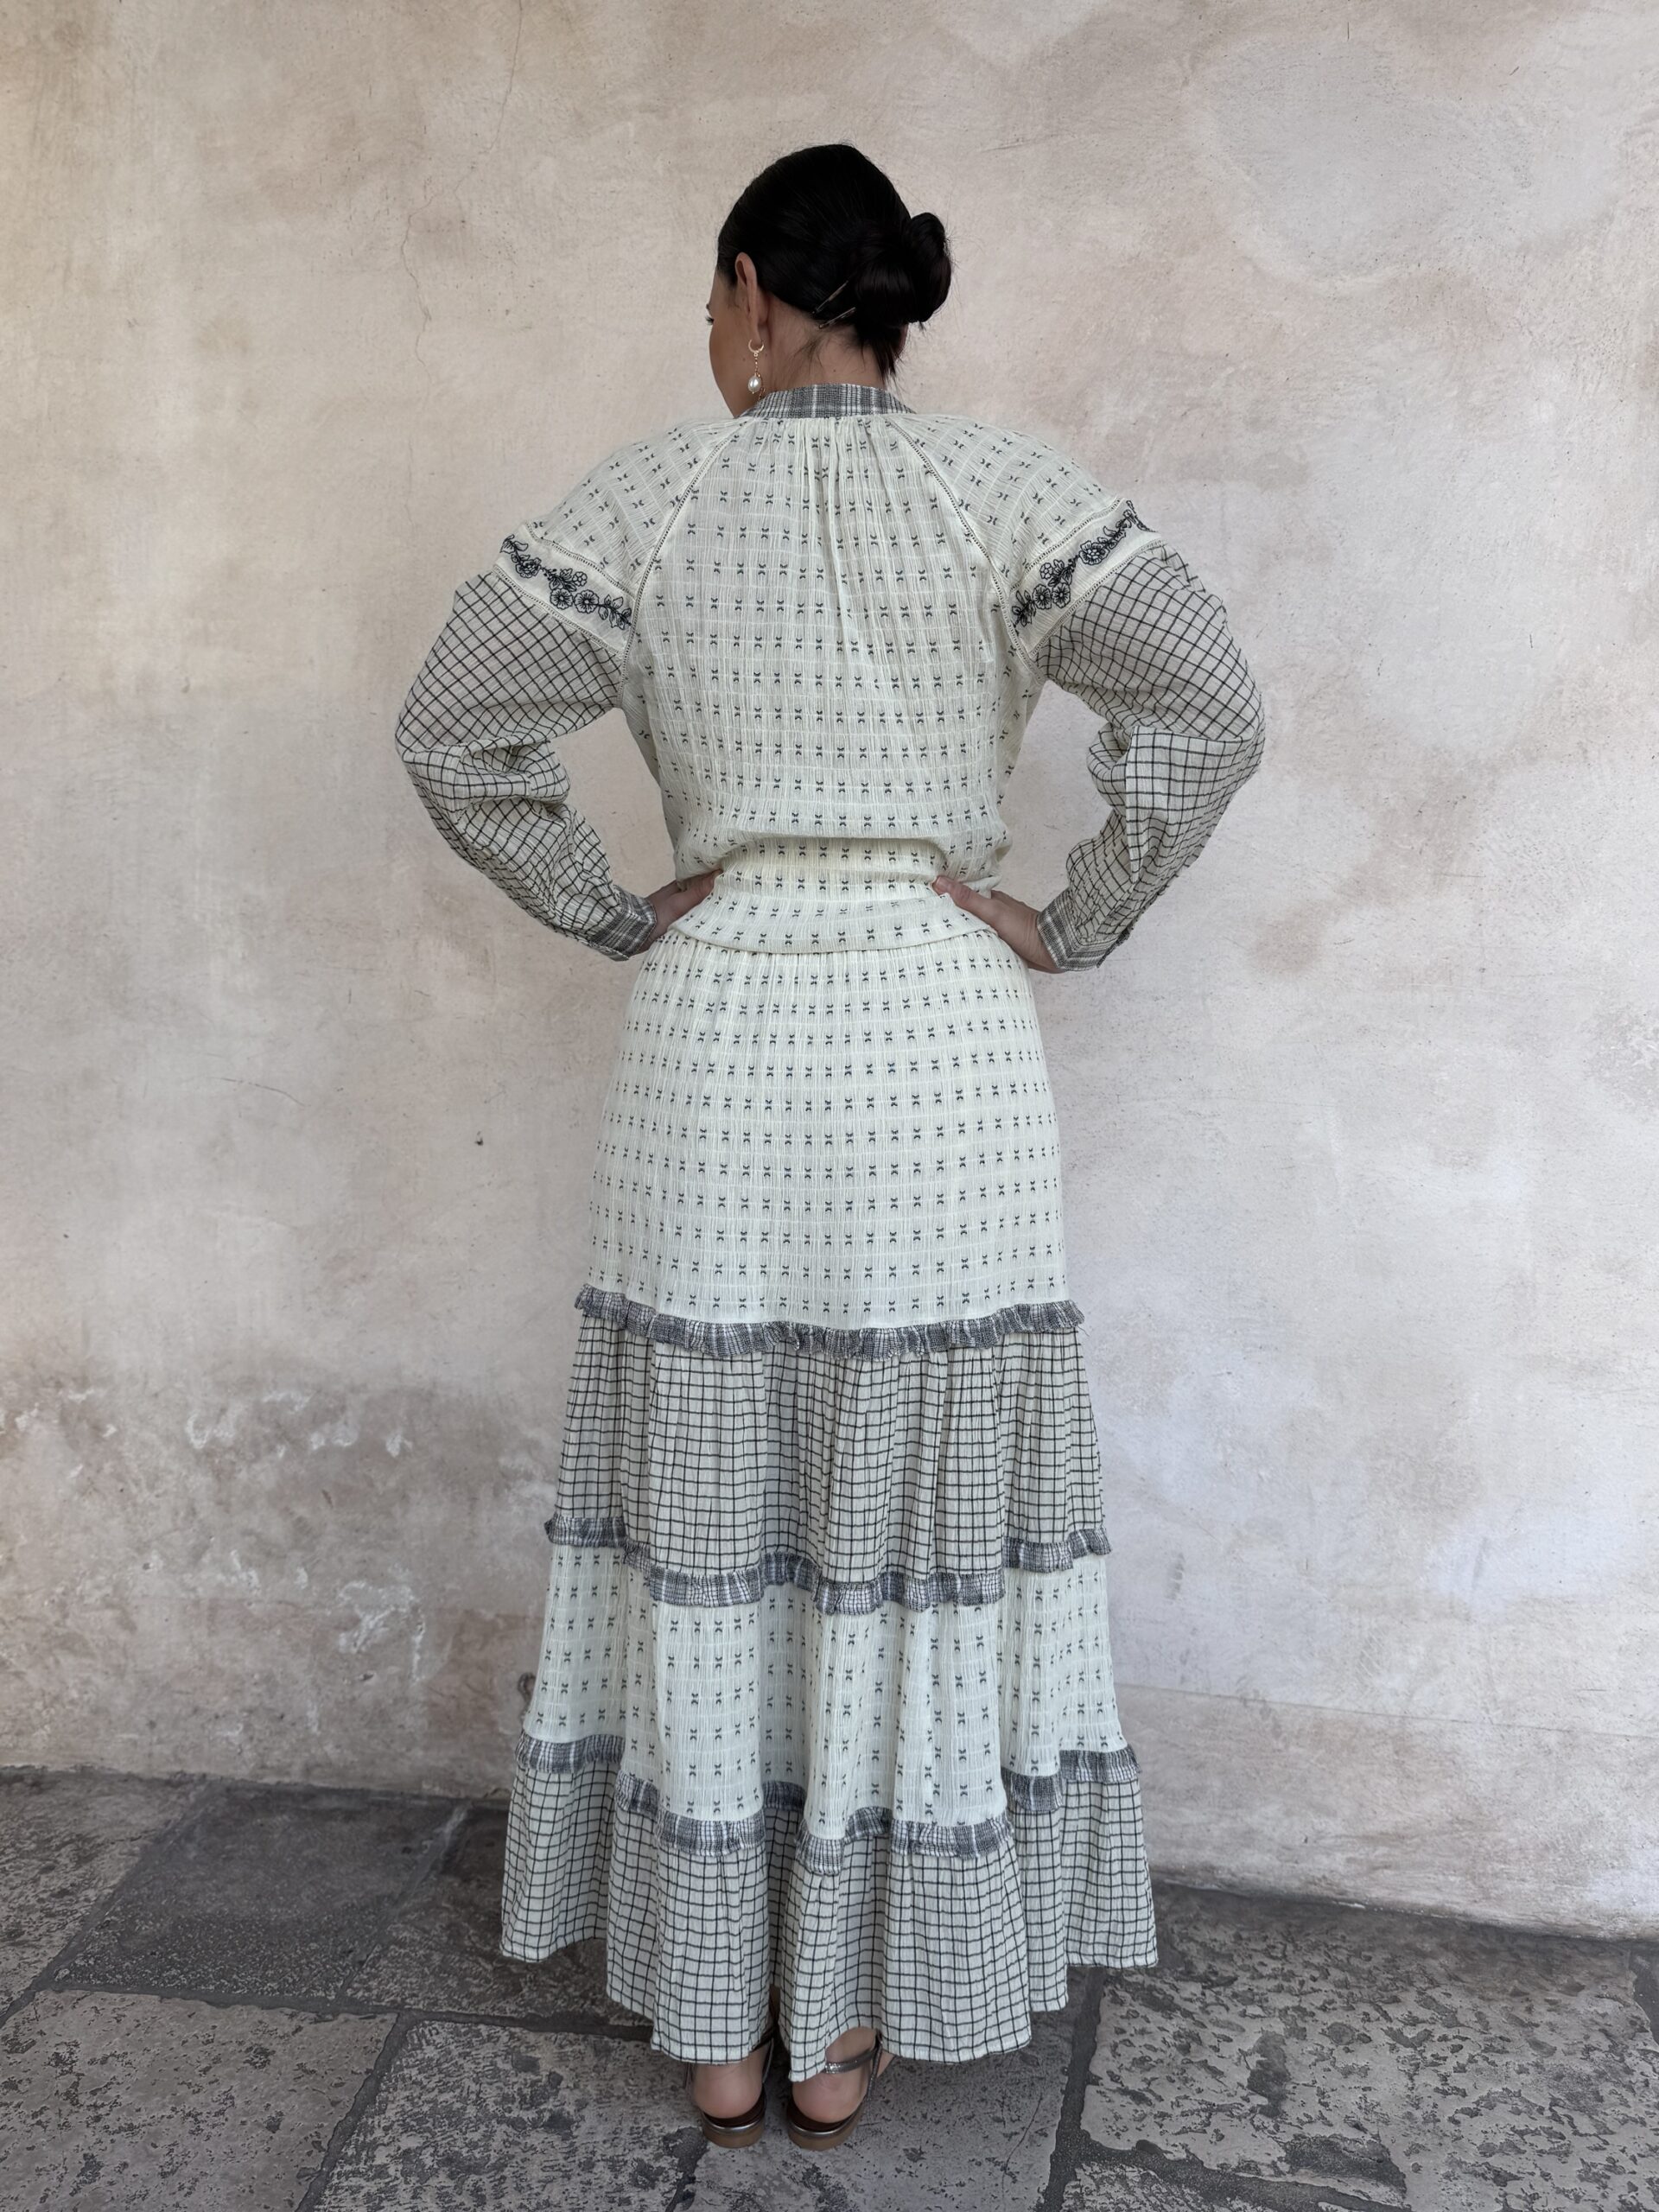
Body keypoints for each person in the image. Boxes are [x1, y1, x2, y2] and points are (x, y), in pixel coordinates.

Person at [393, 140, 1266, 2152]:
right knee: (904, 1516)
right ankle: (851, 2007)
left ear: (751, 291)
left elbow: (452, 726)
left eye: (713, 302)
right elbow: (1210, 703)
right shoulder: (1008, 493)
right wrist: (1076, 912)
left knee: (718, 1507)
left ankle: (720, 2016)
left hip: (718, 1039)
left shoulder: (649, 497)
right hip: (938, 1044)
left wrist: (612, 902)